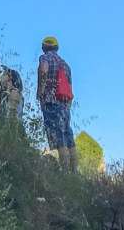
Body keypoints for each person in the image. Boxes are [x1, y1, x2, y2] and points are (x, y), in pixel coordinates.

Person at [37, 36, 77, 172]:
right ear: (56, 47)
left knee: (58, 137)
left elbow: (43, 70)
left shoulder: (45, 58)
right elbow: (70, 89)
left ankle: (64, 172)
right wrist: (67, 106)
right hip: (65, 104)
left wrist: (40, 92)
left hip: (51, 101)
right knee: (68, 135)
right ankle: (74, 171)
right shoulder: (66, 65)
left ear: (44, 47)